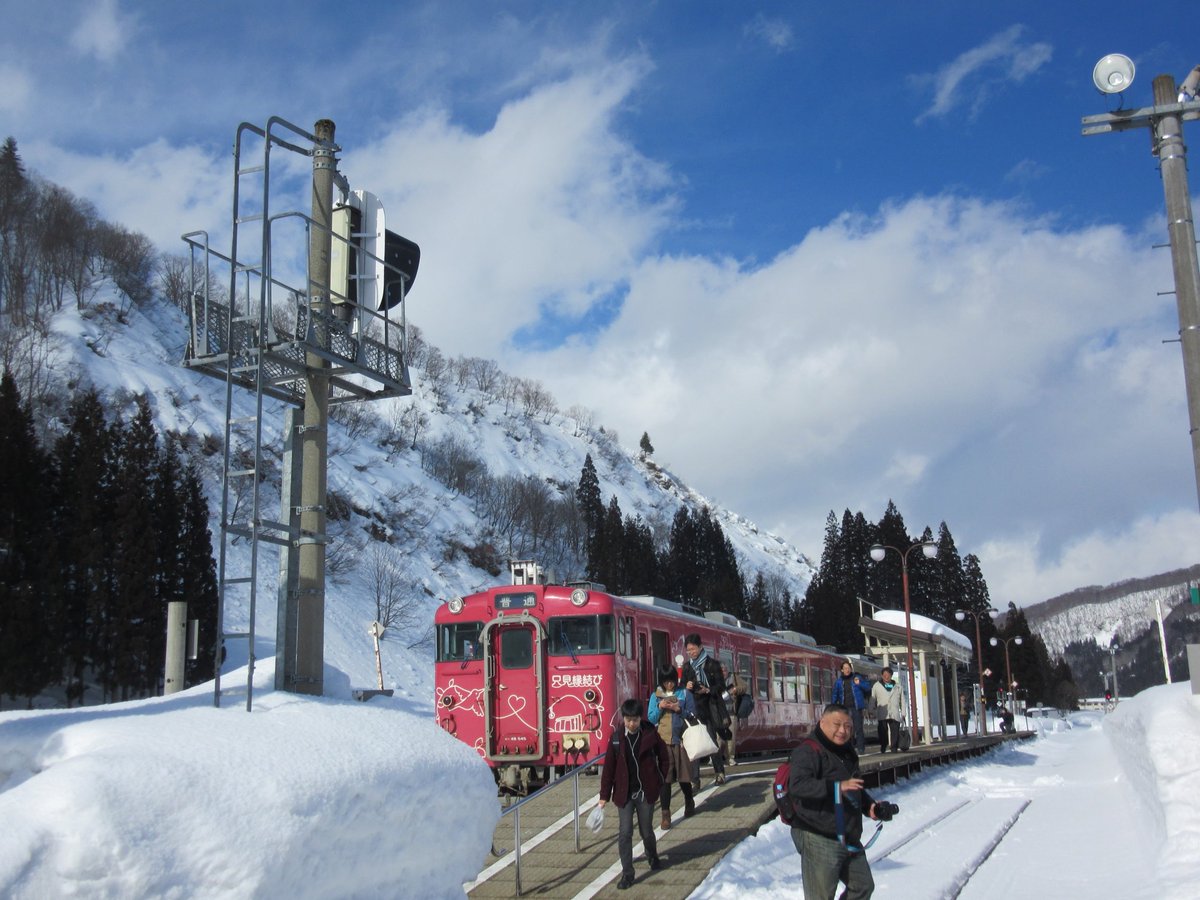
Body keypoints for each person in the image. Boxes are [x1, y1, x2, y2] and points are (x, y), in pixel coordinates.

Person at [788, 703, 882, 899]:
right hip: (818, 835)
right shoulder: (808, 751)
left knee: (863, 886)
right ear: (822, 722)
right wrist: (836, 787)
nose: (842, 731)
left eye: (848, 726)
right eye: (837, 724)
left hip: (847, 834)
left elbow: (853, 786)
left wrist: (870, 806)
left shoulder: (847, 751)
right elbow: (798, 786)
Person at [600, 698, 670, 889]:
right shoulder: (616, 739)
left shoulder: (650, 735)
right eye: (629, 720)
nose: (632, 724)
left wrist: (661, 778)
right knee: (625, 833)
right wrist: (603, 796)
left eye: (636, 720)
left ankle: (652, 856)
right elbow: (609, 769)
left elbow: (664, 756)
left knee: (646, 831)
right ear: (624, 719)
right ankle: (628, 874)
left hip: (645, 791)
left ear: (641, 719)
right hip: (624, 793)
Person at [647, 666, 697, 827]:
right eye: (666, 682)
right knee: (665, 779)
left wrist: (679, 709)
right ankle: (665, 814)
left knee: (683, 776)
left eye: (672, 681)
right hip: (663, 742)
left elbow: (693, 715)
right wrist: (660, 707)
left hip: (681, 741)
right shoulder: (655, 696)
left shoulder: (684, 693)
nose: (670, 685)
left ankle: (689, 801)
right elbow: (651, 719)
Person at [680, 633, 729, 785]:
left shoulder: (712, 664)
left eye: (693, 649)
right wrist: (686, 686)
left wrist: (708, 690)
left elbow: (721, 686)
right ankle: (695, 779)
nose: (691, 653)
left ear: (701, 647)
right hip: (694, 708)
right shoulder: (687, 667)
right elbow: (681, 687)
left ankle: (719, 772)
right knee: (695, 743)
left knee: (710, 740)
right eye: (688, 651)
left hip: (710, 707)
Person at [831, 661, 869, 754]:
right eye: (845, 668)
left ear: (851, 669)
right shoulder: (839, 682)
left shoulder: (856, 678)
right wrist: (832, 707)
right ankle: (849, 748)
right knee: (847, 729)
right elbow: (835, 695)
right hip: (845, 709)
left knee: (858, 728)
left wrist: (859, 683)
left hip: (856, 707)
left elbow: (868, 688)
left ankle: (861, 748)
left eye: (848, 668)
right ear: (842, 670)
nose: (847, 670)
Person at [869, 667, 905, 753]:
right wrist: (870, 710)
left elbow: (902, 700)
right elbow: (873, 699)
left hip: (894, 711)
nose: (886, 677)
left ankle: (894, 747)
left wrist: (903, 713)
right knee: (882, 731)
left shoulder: (898, 686)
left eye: (888, 675)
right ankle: (883, 745)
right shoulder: (877, 685)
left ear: (891, 675)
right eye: (884, 675)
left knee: (895, 730)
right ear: (882, 675)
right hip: (883, 711)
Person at [721, 662, 749, 765]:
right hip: (718, 712)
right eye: (720, 671)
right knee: (718, 737)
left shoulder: (734, 678)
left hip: (731, 712)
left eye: (724, 670)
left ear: (727, 671)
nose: (722, 673)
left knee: (731, 736)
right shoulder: (714, 680)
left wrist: (736, 689)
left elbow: (745, 686)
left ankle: (730, 757)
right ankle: (716, 757)